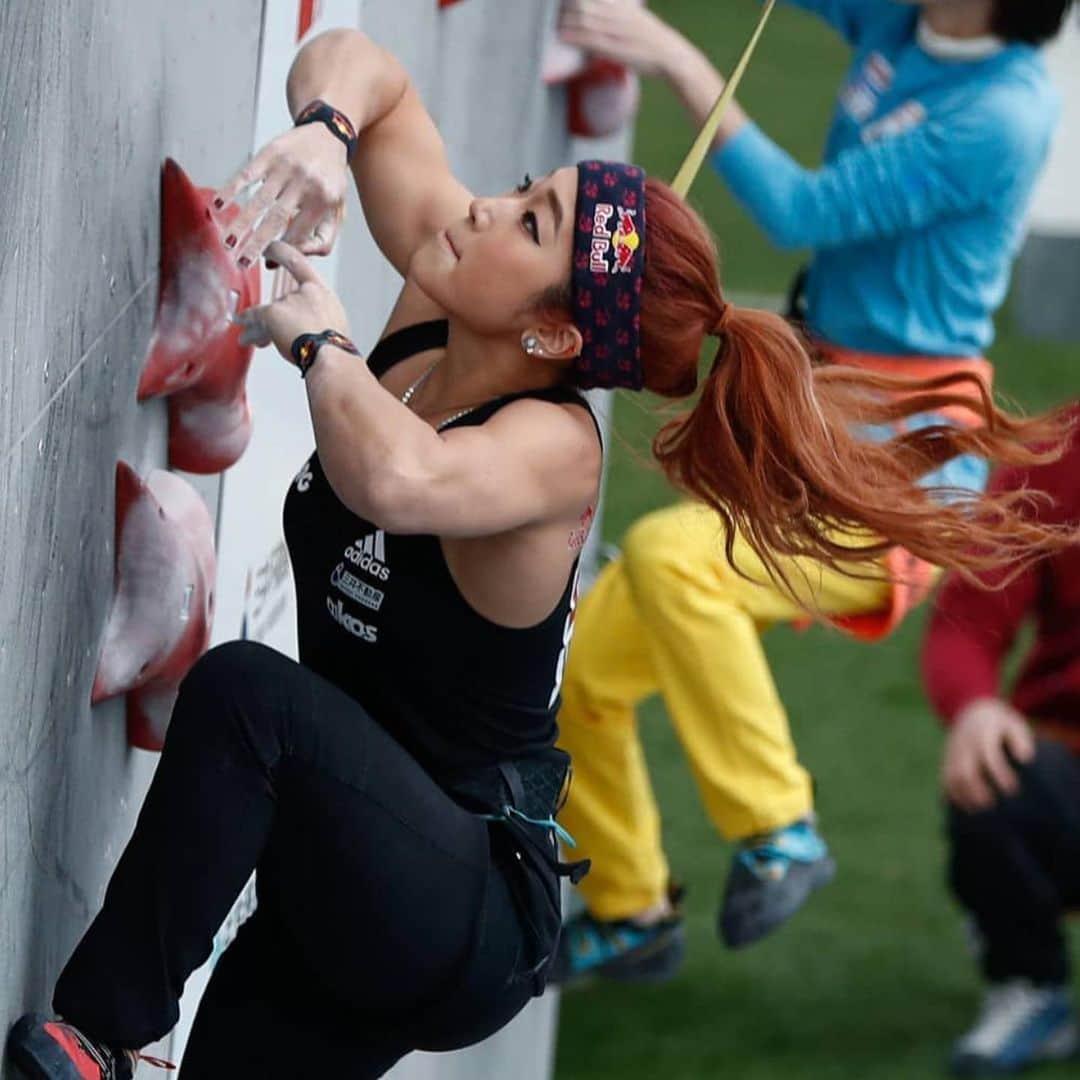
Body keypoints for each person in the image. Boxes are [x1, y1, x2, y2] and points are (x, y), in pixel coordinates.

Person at [6, 24, 1071, 1080]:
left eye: (531, 222)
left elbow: (401, 481)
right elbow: (371, 73)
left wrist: (321, 343)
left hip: (460, 903)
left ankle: (104, 1039)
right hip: (344, 838)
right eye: (525, 188)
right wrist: (327, 132)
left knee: (246, 693)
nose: (485, 206)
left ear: (558, 337)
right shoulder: (449, 280)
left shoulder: (555, 449)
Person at [550, 0, 1075, 983]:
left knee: (671, 557)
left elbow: (801, 210)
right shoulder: (906, 19)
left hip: (901, 482)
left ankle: (781, 827)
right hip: (817, 427)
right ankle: (630, 909)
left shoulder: (1002, 114)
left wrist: (666, 49)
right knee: (579, 677)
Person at [922, 404, 1080, 1076]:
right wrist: (976, 708)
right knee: (996, 773)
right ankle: (1030, 980)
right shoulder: (1057, 451)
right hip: (1066, 756)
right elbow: (966, 619)